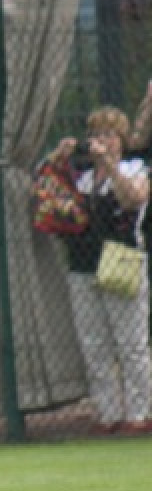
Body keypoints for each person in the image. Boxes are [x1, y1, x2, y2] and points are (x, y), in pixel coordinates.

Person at [42, 107, 151, 432]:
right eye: (95, 135)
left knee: (130, 341)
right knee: (94, 344)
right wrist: (59, 159)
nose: (100, 141)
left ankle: (140, 412)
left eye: (108, 134)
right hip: (84, 265)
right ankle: (107, 413)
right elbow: (48, 195)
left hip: (121, 260)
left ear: (121, 140)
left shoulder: (136, 168)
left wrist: (111, 167)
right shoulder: (82, 178)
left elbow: (132, 199)